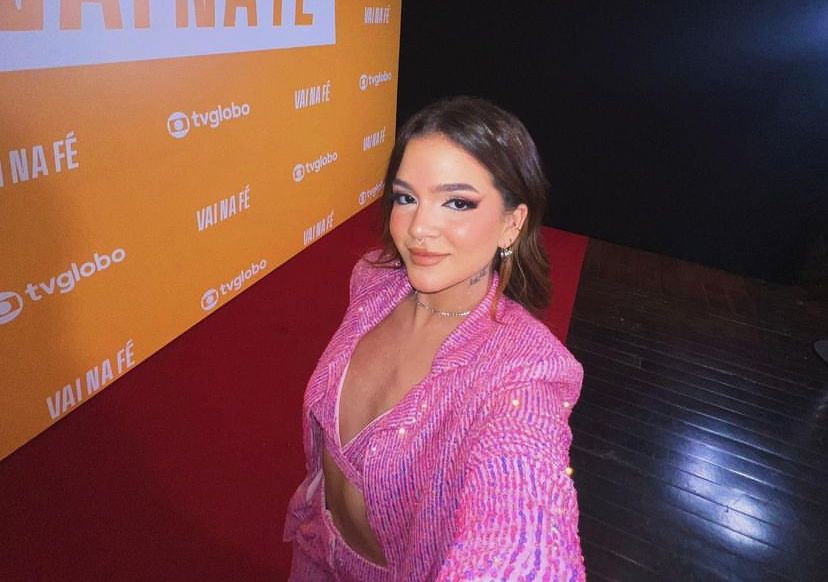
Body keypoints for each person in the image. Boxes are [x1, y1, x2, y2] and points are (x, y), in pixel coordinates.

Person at [283, 96, 586, 580]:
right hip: (316, 543)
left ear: (512, 223)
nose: (418, 228)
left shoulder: (525, 371)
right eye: (406, 198)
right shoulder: (373, 281)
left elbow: (522, 521)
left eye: (457, 202)